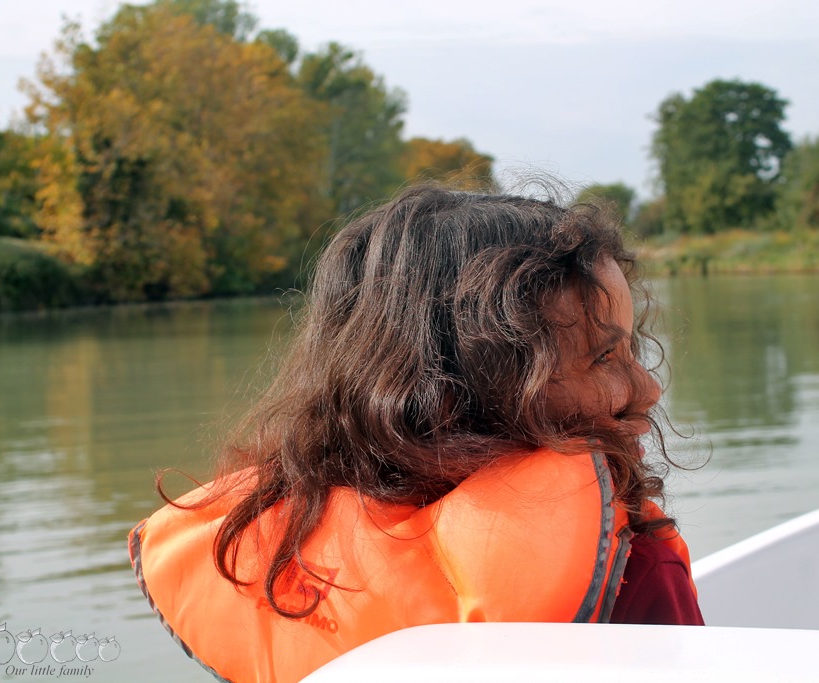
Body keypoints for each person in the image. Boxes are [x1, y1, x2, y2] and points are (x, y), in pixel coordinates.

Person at [129, 185, 702, 683]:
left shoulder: (270, 560)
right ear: (452, 398)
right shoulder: (635, 573)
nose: (648, 387)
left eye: (633, 346)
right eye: (604, 356)